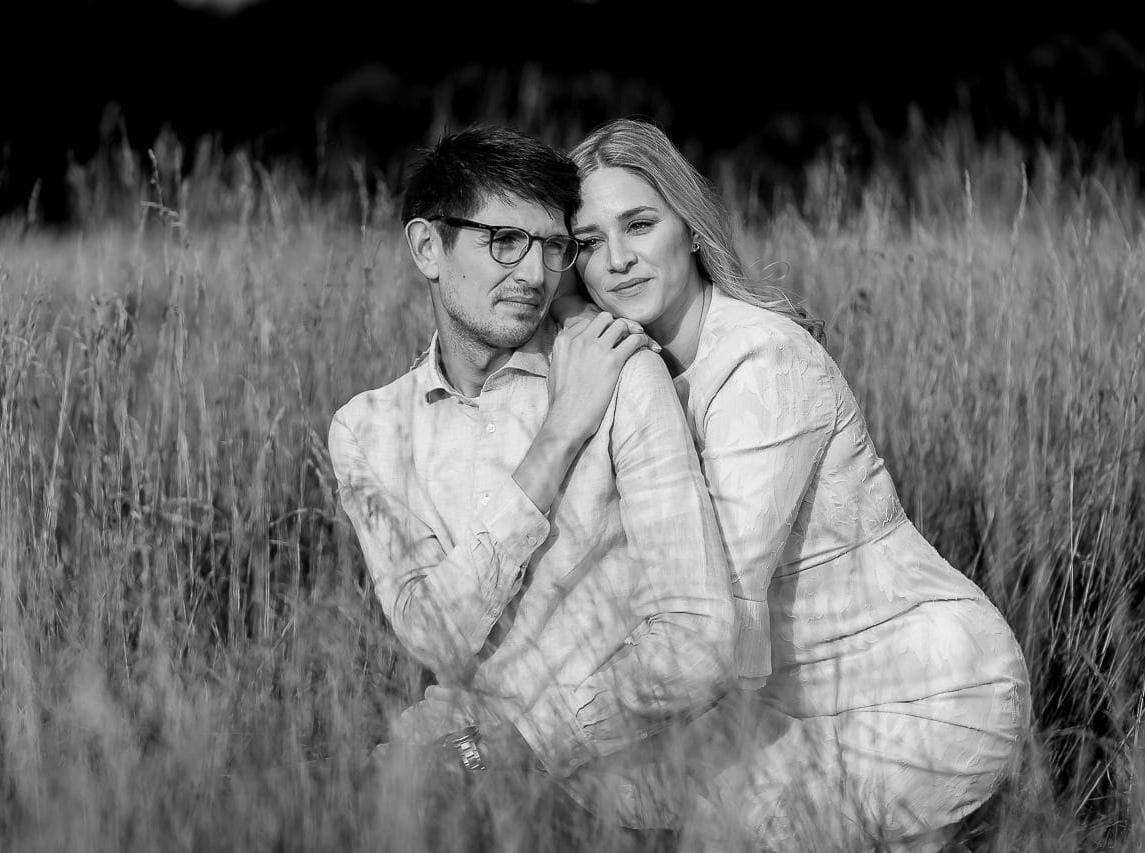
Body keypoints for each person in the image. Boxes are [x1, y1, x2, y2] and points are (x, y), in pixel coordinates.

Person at [548, 117, 1033, 851]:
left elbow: (714, 635)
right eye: (587, 243)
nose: (615, 260)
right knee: (603, 784)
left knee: (722, 828)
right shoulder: (632, 369)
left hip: (932, 687)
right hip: (797, 701)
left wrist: (528, 723)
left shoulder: (760, 364)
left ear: (690, 227)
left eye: (639, 225)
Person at [326, 124, 741, 849]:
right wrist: (557, 437)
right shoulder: (369, 429)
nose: (534, 273)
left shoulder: (620, 370)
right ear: (428, 248)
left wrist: (508, 739)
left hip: (620, 801)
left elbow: (700, 641)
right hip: (457, 776)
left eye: (553, 247)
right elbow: (433, 631)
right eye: (504, 241)